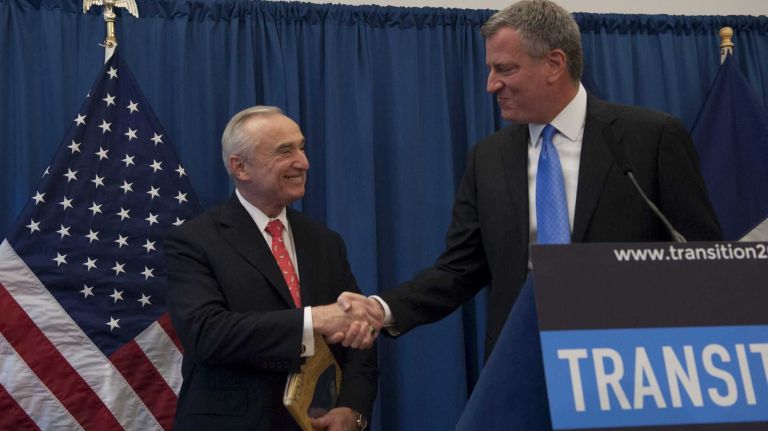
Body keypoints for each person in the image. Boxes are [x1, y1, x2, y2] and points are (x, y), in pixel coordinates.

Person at [338, 0, 722, 357]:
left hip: (629, 360)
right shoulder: (489, 157)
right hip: (520, 361)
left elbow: (702, 257)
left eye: (505, 69)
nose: (491, 84)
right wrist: (381, 309)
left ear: (554, 64)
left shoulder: (650, 138)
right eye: (491, 70)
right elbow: (459, 269)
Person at [165, 106, 379, 430]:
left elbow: (359, 336)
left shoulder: (324, 241)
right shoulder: (194, 241)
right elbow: (206, 334)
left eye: (302, 148)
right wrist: (313, 320)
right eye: (285, 151)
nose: (303, 162)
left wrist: (352, 409)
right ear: (240, 167)